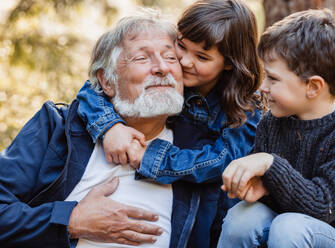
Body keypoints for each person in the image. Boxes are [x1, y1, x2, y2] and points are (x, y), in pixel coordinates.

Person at [0, 14, 201, 248]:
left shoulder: (200, 150)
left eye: (171, 57)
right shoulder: (57, 129)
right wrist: (71, 221)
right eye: (141, 58)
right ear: (107, 81)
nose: (162, 67)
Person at [76, 0, 263, 247]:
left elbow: (222, 162)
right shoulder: (170, 79)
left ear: (229, 63)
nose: (184, 61)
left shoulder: (245, 108)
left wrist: (152, 159)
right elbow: (92, 90)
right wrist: (111, 127)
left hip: (213, 206)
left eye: (202, 57)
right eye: (182, 47)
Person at [218, 8, 335, 248]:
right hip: (289, 229)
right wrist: (260, 189)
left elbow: (322, 206)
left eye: (273, 78)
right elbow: (277, 192)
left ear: (313, 87)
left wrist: (270, 164)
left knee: (290, 226)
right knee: (242, 218)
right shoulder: (272, 122)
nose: (262, 87)